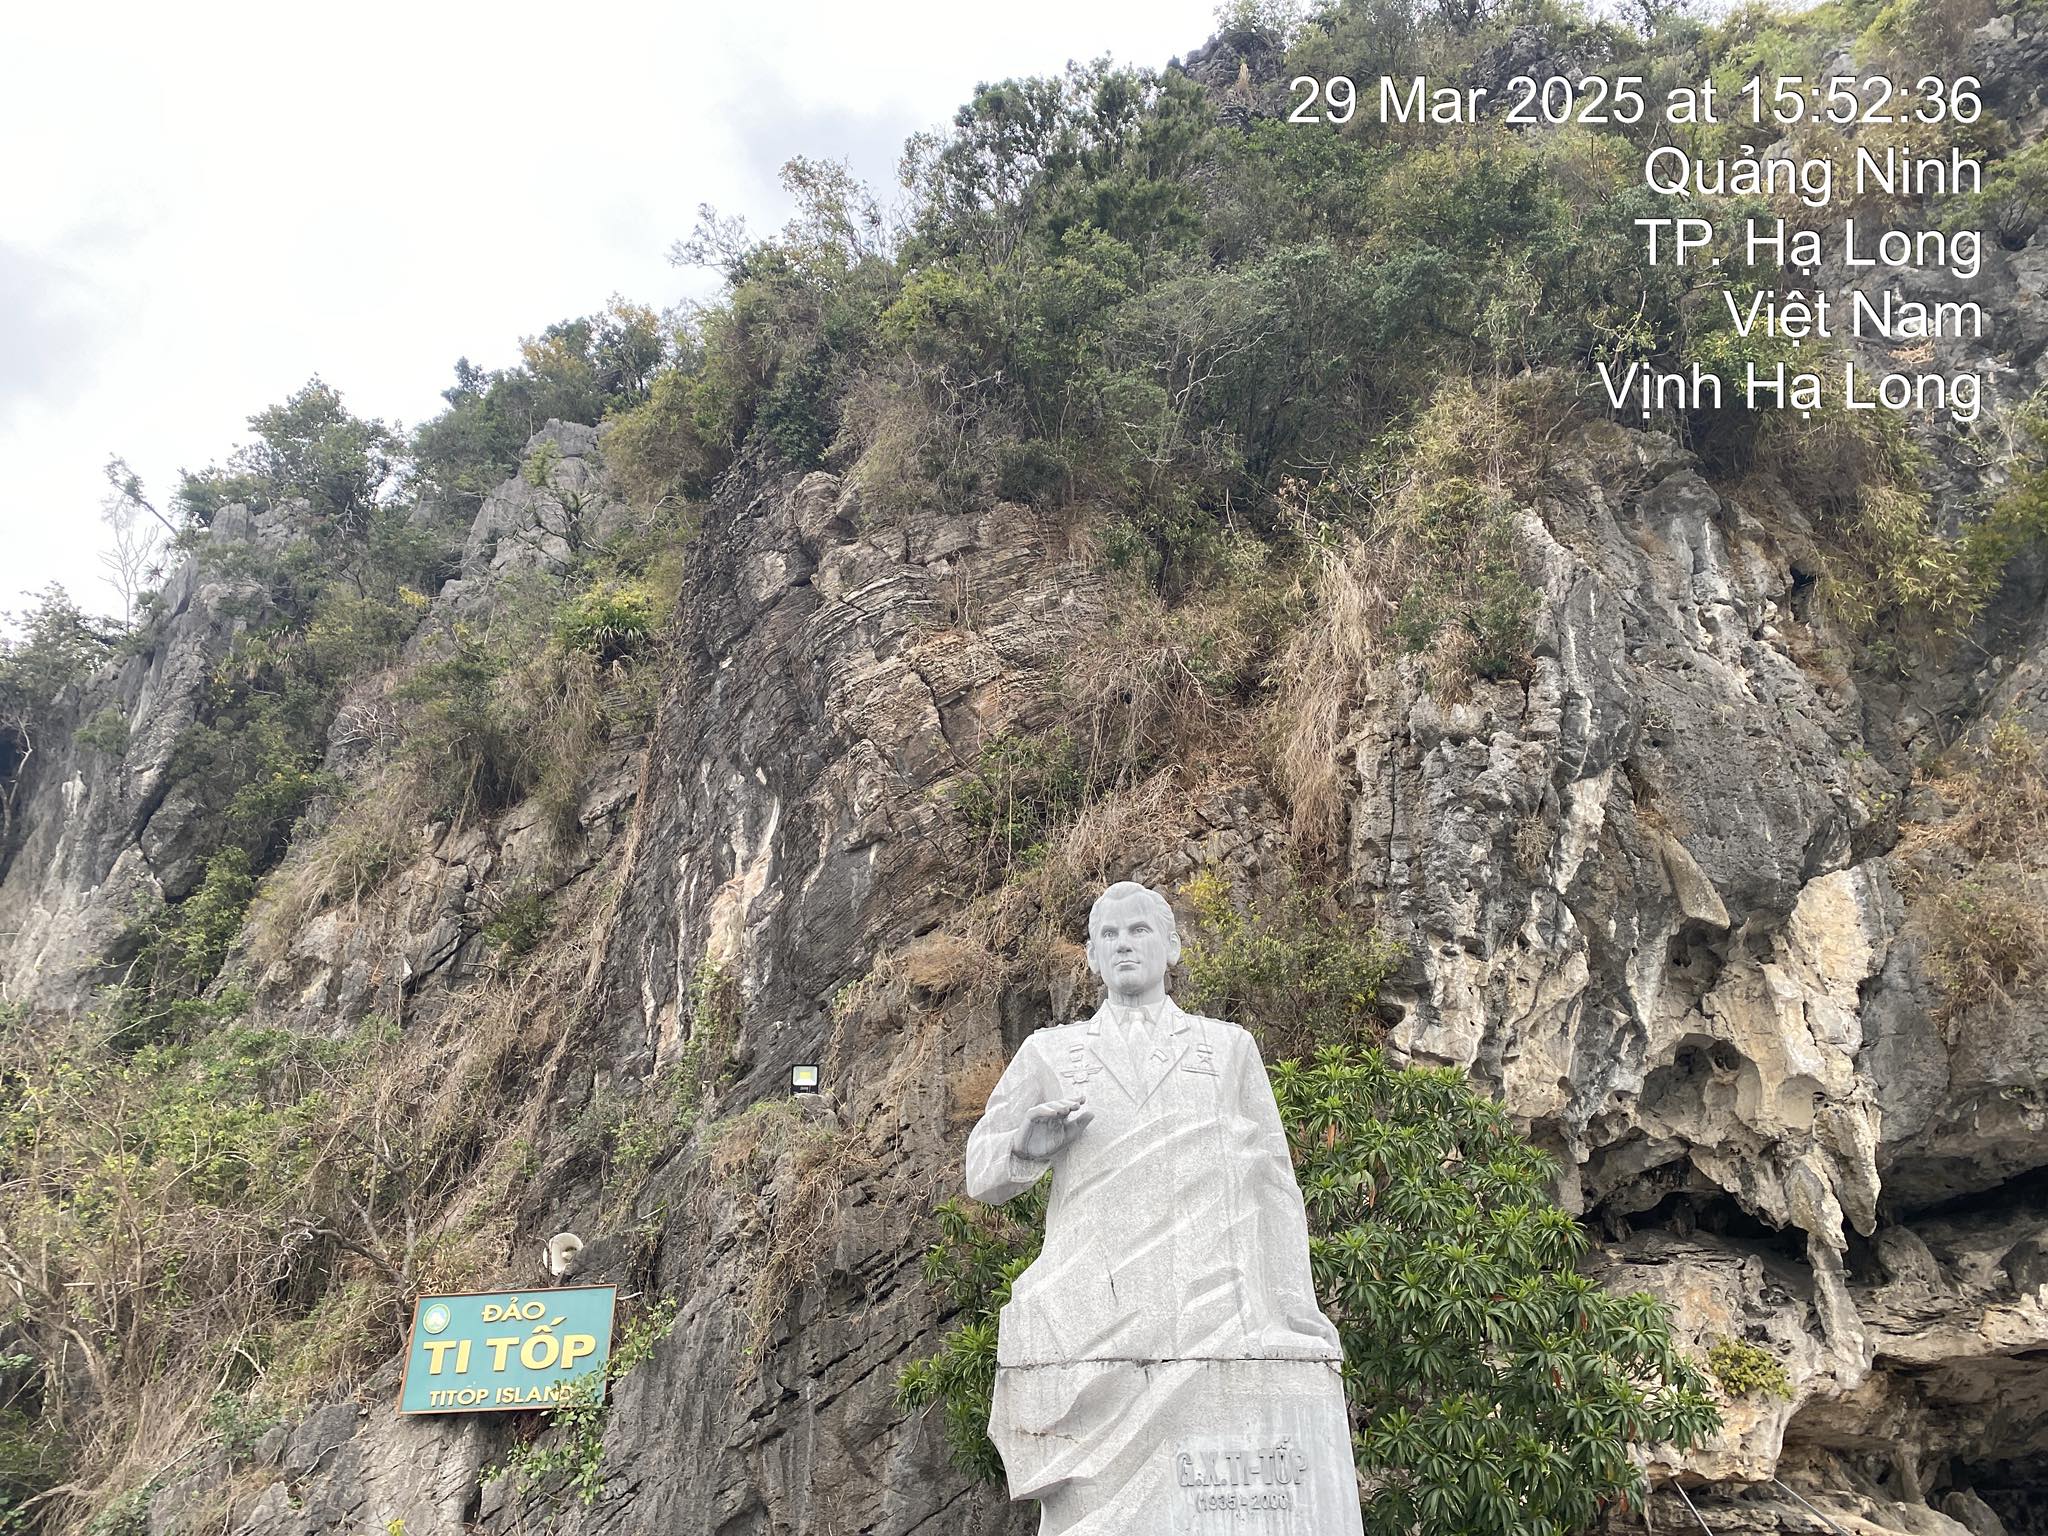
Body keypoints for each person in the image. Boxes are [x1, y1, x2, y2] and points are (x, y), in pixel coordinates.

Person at [966, 881, 1364, 1535]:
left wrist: (1295, 1309)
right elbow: (981, 1172)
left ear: (1173, 946)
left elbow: (1273, 1186)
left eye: (1139, 929)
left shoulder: (1228, 1047)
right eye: (1109, 934)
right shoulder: (1050, 1052)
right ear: (1091, 956)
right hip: (1095, 1314)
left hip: (1211, 1306)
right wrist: (1023, 1148)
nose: (1124, 944)